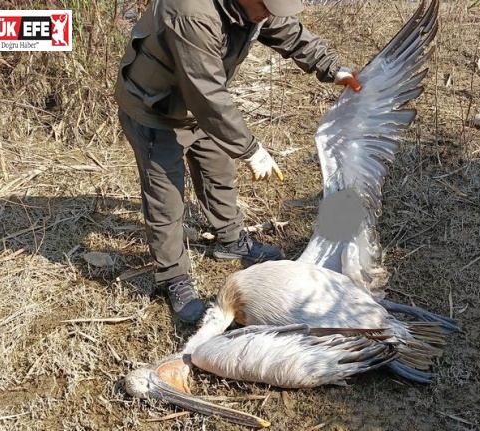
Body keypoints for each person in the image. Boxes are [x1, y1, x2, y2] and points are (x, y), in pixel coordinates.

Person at [115, 0, 361, 324]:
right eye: (267, 7)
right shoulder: (192, 11)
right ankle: (173, 278)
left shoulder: (256, 8)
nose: (270, 15)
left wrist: (333, 69)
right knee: (166, 201)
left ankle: (231, 240)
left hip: (198, 111)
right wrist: (250, 149)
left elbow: (288, 31)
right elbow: (206, 93)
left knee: (218, 172)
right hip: (153, 110)